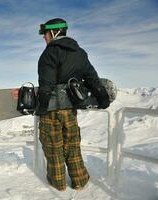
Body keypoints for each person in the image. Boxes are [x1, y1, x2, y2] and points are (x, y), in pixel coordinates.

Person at [35, 18, 110, 191]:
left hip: (52, 110)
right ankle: (80, 181)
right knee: (72, 145)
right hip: (71, 108)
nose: (44, 38)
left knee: (53, 146)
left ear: (53, 33)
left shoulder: (50, 53)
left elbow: (46, 85)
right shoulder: (80, 53)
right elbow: (92, 78)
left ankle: (58, 183)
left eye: (45, 34)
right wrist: (102, 98)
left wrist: (41, 107)